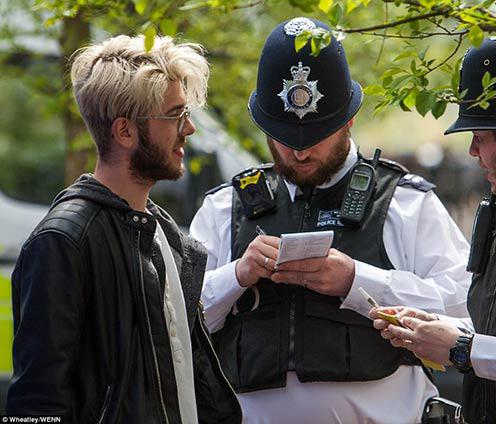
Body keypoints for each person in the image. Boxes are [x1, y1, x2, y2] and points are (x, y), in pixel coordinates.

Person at [190, 17, 471, 424]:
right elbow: (177, 320)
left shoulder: (405, 203)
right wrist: (237, 275)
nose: (299, 153)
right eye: (284, 138)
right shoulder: (223, 209)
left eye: (315, 137)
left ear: (349, 119)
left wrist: (357, 281)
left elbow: (466, 306)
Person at [6, 34, 241, 423]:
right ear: (125, 131)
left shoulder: (163, 234)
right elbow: (35, 405)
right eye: (174, 115)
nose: (189, 129)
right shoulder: (63, 241)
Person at [371, 37, 496, 424]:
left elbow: (490, 350)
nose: (473, 152)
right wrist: (440, 328)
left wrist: (464, 348)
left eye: (479, 137)